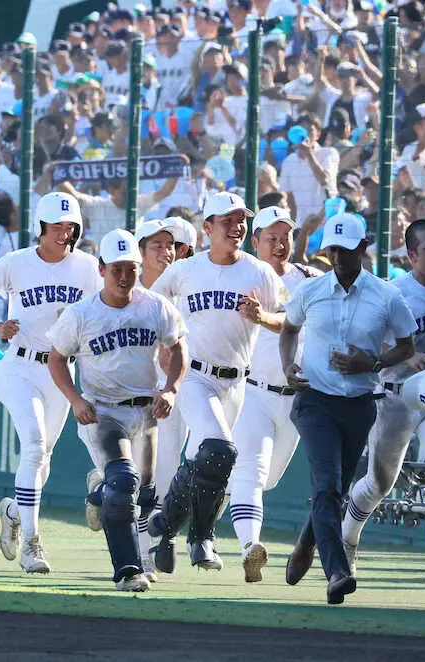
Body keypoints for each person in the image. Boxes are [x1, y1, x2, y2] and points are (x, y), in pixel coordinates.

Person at [279, 215, 417, 605]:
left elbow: (406, 346)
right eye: (331, 249)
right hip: (314, 400)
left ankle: (307, 541)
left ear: (363, 248)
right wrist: (288, 366)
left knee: (335, 491)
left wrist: (371, 363)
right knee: (326, 484)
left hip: (359, 405)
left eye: (345, 248)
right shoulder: (311, 290)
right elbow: (289, 330)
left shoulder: (387, 296)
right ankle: (337, 571)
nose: (336, 256)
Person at [148, 192, 286, 574]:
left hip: (236, 383)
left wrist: (263, 319)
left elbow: (288, 318)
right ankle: (202, 538)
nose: (237, 226)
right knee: (221, 449)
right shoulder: (186, 269)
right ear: (207, 227)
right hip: (194, 375)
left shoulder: (259, 272)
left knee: (201, 460)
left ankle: (165, 525)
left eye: (241, 220)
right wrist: (164, 343)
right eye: (227, 220)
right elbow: (153, 304)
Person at [47, 229, 187, 592]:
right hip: (103, 412)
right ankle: (128, 570)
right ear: (101, 268)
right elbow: (57, 359)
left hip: (146, 413)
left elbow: (180, 348)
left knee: (143, 494)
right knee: (125, 480)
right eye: (117, 270)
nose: (125, 278)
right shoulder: (81, 314)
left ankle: (98, 492)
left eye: (131, 270)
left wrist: (171, 389)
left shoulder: (155, 306)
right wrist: (76, 400)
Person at [0, 192, 103, 573]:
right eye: (57, 226)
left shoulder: (87, 267)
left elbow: (101, 310)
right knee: (33, 445)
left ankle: (14, 510)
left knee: (41, 458)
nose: (64, 233)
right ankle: (32, 542)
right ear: (40, 227)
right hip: (19, 366)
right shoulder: (17, 263)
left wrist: (79, 321)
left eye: (70, 227)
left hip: (61, 372)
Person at [338, 219, 425, 593]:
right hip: (395, 397)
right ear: (412, 255)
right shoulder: (393, 295)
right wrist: (404, 354)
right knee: (381, 483)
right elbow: (363, 345)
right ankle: (347, 541)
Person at [227, 206, 321, 583]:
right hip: (252, 392)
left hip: (295, 399)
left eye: (286, 236)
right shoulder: (241, 276)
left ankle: (219, 495)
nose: (281, 243)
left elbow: (290, 319)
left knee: (267, 479)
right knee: (253, 467)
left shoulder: (310, 280)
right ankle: (250, 547)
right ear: (256, 241)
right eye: (272, 237)